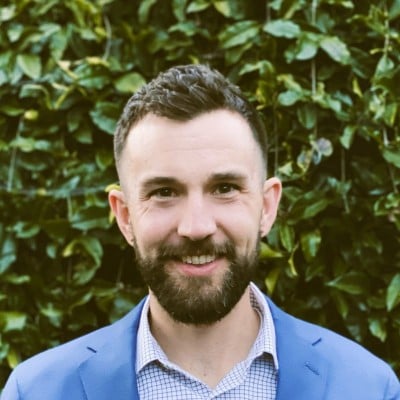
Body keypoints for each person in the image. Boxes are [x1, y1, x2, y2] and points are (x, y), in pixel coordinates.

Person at [2, 64, 399, 400]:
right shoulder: (35, 392)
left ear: (267, 206)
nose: (196, 227)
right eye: (164, 192)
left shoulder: (368, 388)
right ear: (124, 216)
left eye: (225, 188)